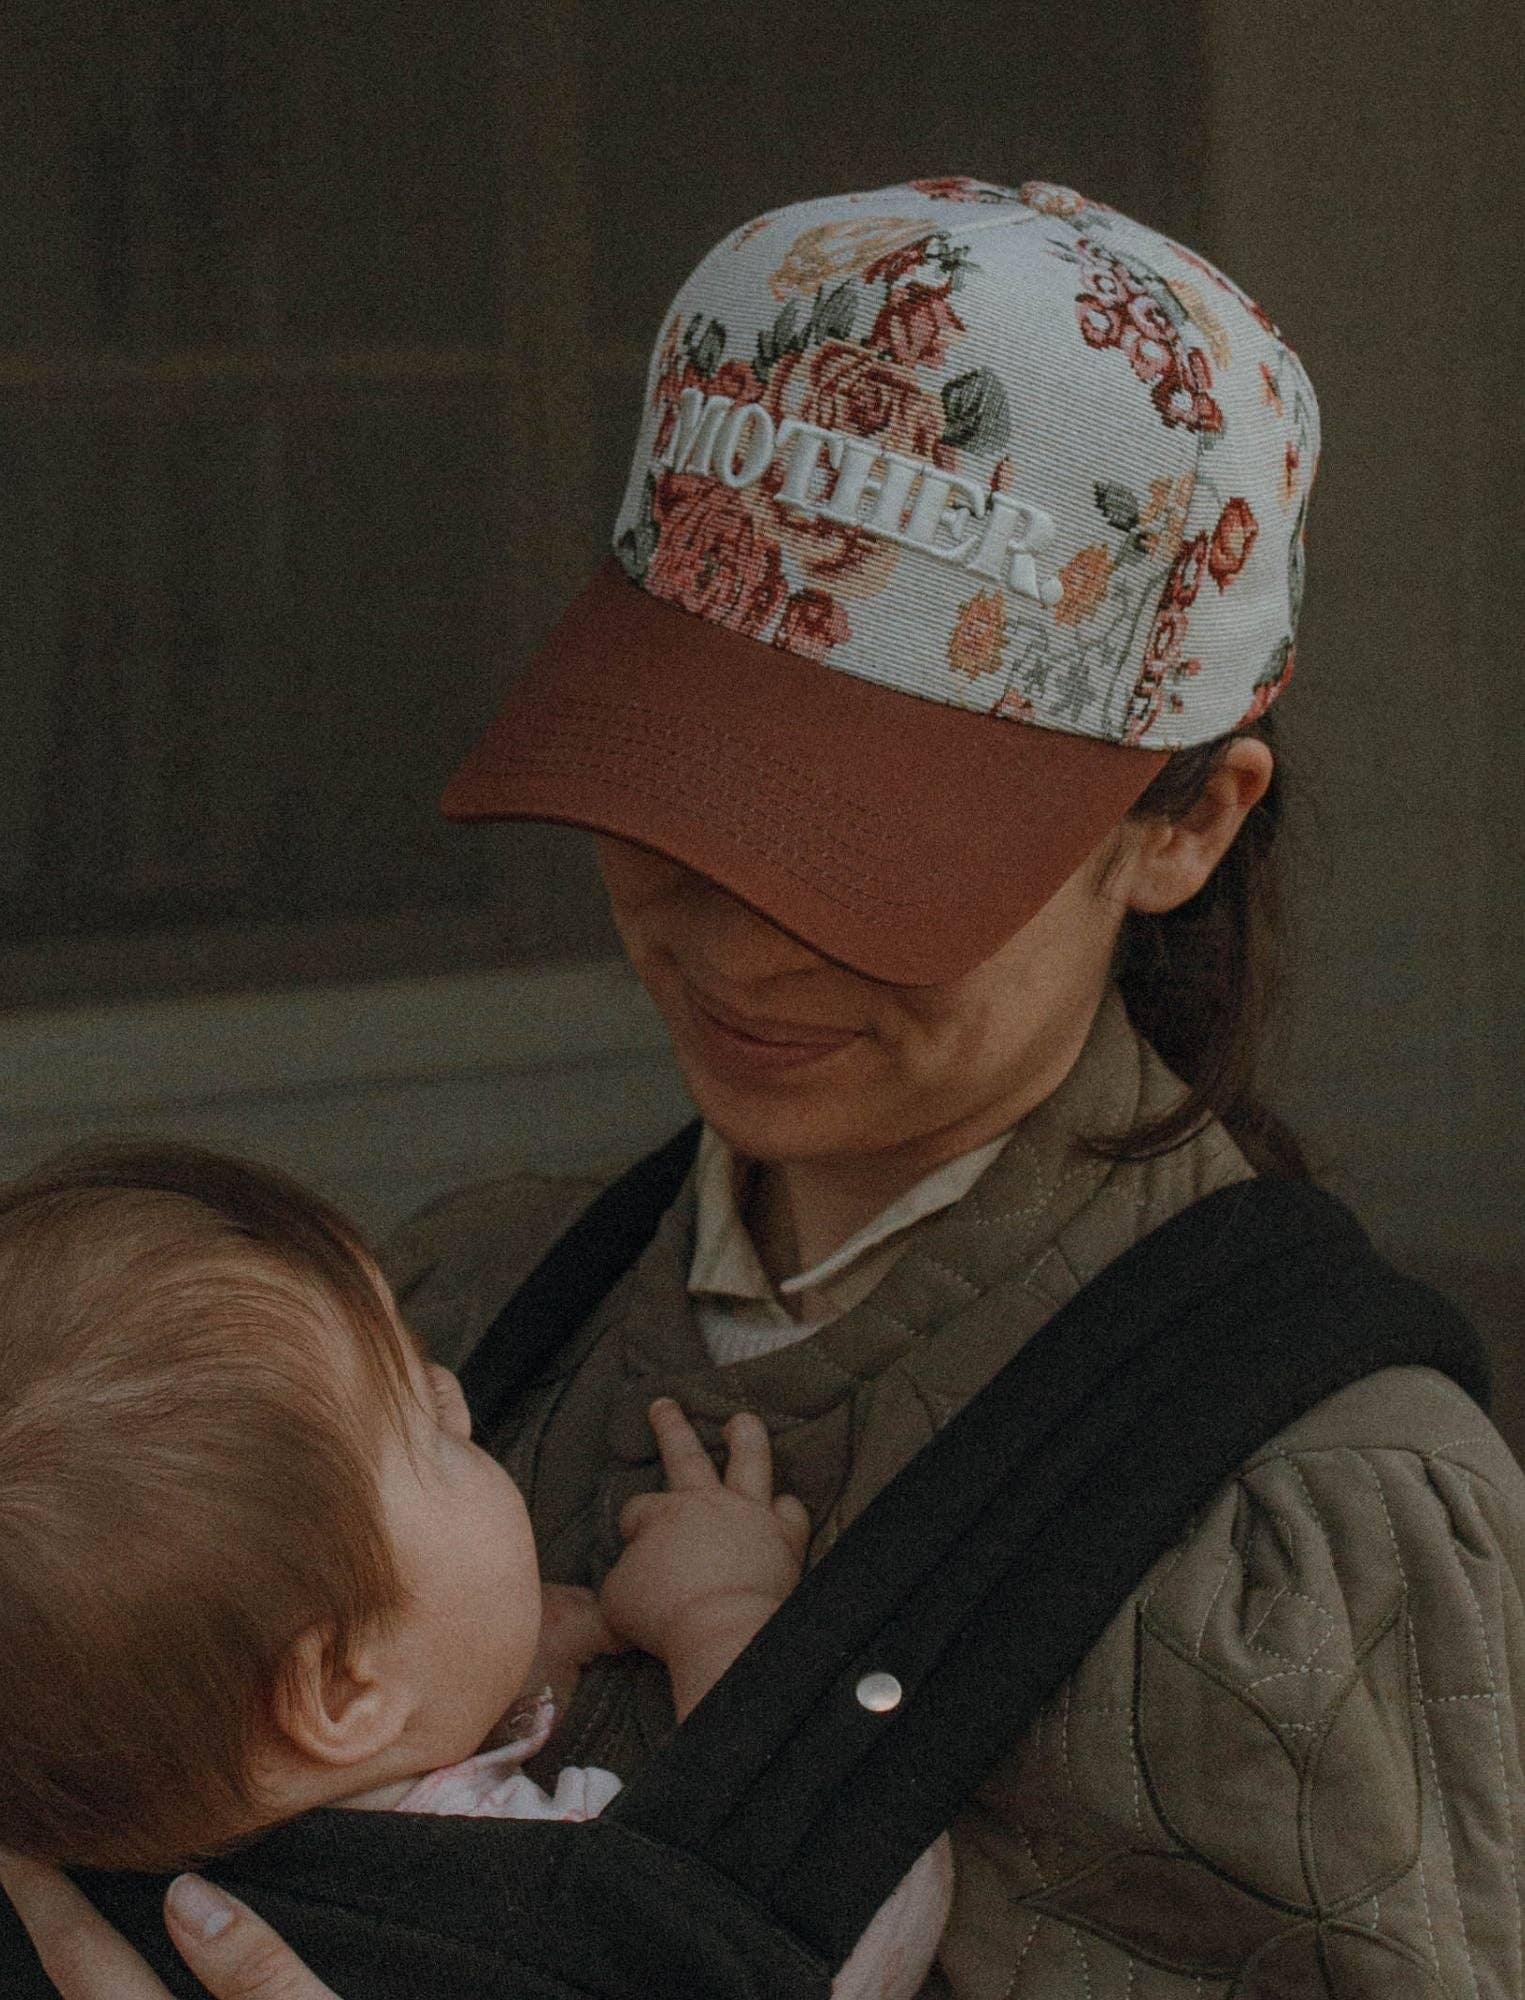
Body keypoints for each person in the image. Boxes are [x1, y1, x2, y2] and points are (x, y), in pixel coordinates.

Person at [7, 173, 1524, 1996]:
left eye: (868, 857)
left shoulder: (1306, 1534)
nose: (736, 942)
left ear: (1188, 821)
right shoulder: (455, 1319)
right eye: (678, 803)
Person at [0, 1145, 949, 1999]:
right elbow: (852, 1913)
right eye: (425, 1425)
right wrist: (725, 1612)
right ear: (339, 1689)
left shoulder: (64, 1876)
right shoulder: (513, 1911)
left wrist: (467, 1673)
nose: (458, 1395)